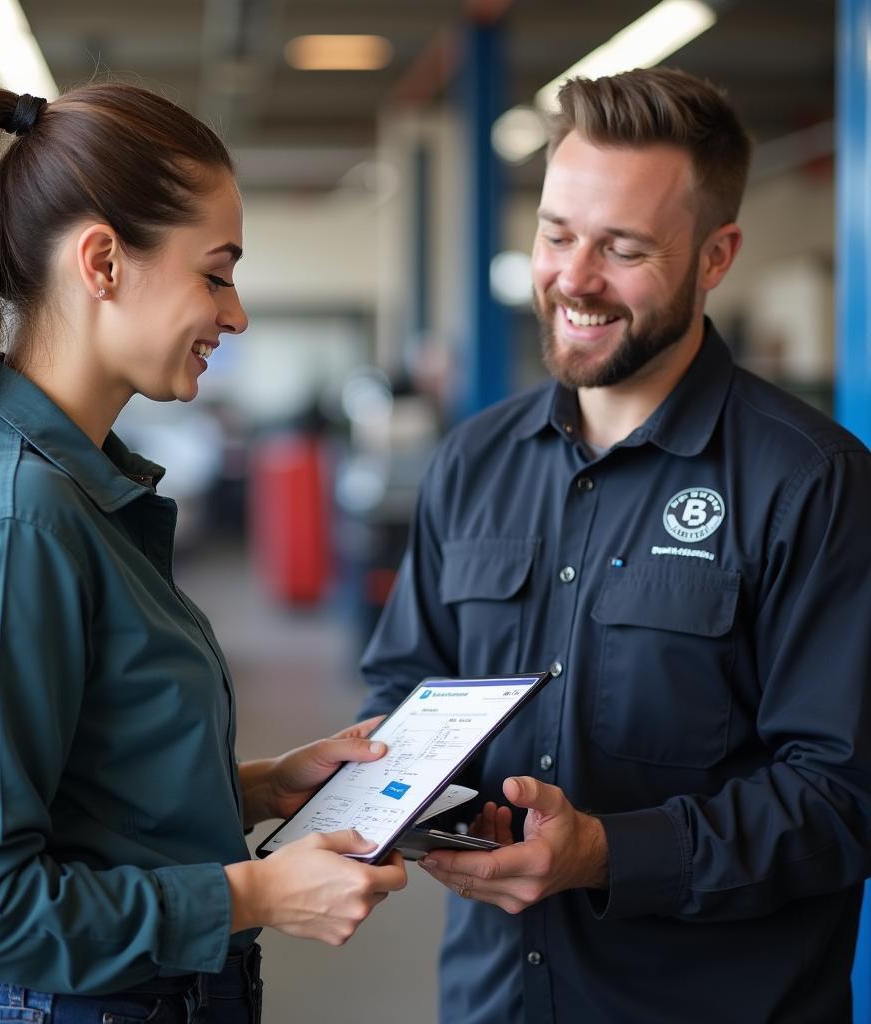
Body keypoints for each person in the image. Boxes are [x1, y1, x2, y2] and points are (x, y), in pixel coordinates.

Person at [0, 84, 408, 1024]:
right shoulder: (17, 518)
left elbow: (79, 793)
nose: (235, 317)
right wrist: (255, 895)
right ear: (103, 261)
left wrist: (265, 785)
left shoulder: (76, 491)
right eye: (216, 273)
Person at [359, 67, 871, 1023]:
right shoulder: (473, 460)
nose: (574, 279)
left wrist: (602, 852)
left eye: (623, 247)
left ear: (716, 256)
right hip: (495, 1000)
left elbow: (842, 799)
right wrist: (428, 808)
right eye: (557, 234)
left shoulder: (812, 484)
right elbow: (405, 691)